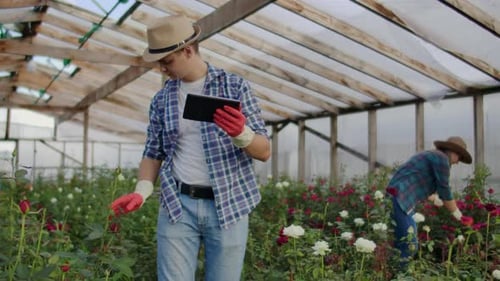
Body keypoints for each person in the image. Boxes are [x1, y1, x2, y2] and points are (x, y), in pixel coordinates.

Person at [110, 15, 271, 281]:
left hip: (229, 203)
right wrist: (141, 190)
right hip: (178, 204)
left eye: (167, 61)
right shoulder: (162, 99)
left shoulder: (234, 86)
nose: (162, 69)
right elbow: (153, 152)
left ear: (187, 50)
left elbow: (264, 151)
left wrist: (241, 134)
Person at [385, 136, 474, 270]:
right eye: (459, 158)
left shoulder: (431, 155)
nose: (458, 162)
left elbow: (418, 178)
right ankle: (399, 275)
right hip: (401, 199)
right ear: (453, 152)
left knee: (404, 242)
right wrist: (458, 214)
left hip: (399, 197)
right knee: (410, 245)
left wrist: (433, 198)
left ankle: (391, 271)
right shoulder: (442, 159)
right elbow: (444, 188)